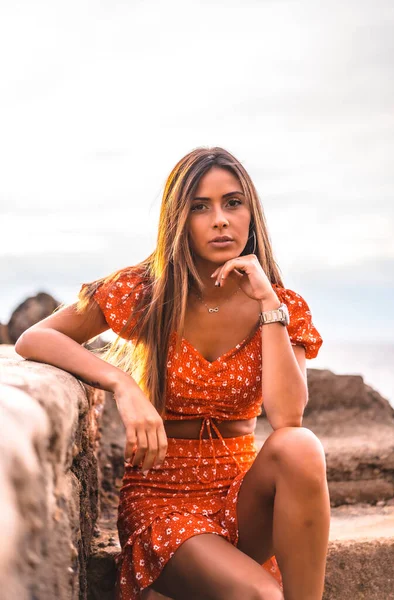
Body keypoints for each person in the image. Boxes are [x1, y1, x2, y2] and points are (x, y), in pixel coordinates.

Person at [15, 147, 329, 600]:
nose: (220, 219)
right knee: (260, 595)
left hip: (240, 497)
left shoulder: (282, 307)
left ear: (251, 213)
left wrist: (268, 306)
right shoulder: (146, 290)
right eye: (201, 207)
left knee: (300, 446)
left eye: (232, 203)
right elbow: (35, 339)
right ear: (178, 219)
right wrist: (123, 385)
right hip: (162, 499)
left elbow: (287, 418)